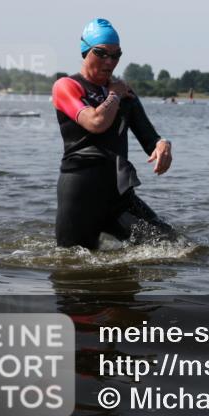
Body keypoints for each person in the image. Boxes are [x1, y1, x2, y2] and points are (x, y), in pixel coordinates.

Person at [51, 18, 175, 249]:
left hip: (118, 193)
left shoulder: (124, 91)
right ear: (85, 51)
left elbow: (150, 138)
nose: (110, 61)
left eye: (116, 55)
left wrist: (162, 144)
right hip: (81, 192)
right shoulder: (67, 86)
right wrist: (114, 95)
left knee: (171, 244)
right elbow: (95, 122)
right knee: (72, 265)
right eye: (101, 53)